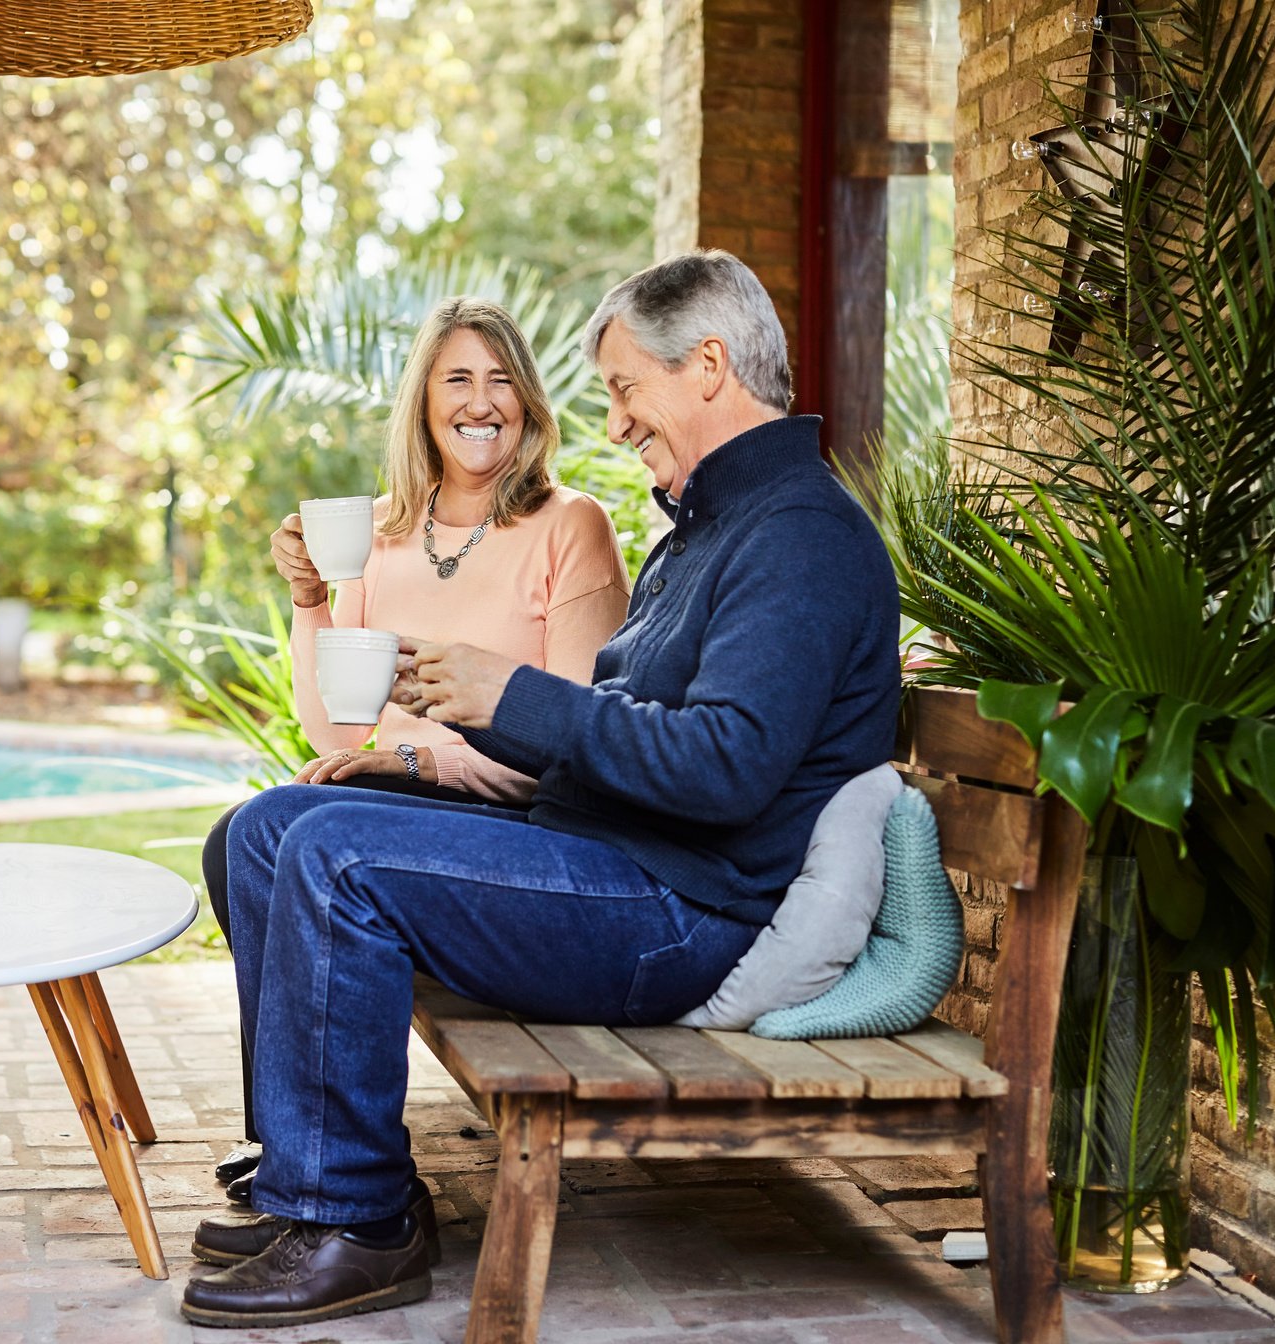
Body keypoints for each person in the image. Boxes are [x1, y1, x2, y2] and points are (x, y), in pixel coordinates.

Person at [180, 249, 902, 1330]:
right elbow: (626, 739)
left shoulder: (797, 537)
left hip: (684, 910)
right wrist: (423, 762)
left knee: (336, 858)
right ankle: (315, 1170)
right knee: (270, 829)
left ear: (707, 366)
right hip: (607, 858)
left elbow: (724, 768)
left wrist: (506, 693)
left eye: (625, 390)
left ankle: (355, 1221)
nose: (614, 423)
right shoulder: (709, 532)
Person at [197, 297, 631, 1196]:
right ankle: (288, 1132)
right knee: (237, 836)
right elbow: (335, 732)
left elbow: (575, 738)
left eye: (502, 381)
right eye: (458, 381)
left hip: (507, 812)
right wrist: (310, 600)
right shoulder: (379, 535)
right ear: (424, 406)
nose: (482, 403)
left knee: (273, 830)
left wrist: (420, 760)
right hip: (392, 790)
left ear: (530, 403)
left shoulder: (569, 526)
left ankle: (316, 1147)